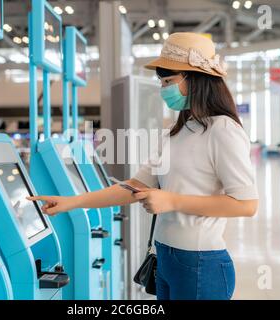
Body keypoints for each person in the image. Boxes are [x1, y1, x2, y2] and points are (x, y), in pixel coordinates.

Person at [28, 32, 259, 300]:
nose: (163, 90)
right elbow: (134, 186)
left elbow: (245, 204)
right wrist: (73, 202)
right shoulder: (175, 132)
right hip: (164, 259)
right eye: (161, 82)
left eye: (169, 81)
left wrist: (172, 201)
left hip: (201, 264)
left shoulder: (223, 130)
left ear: (196, 79)